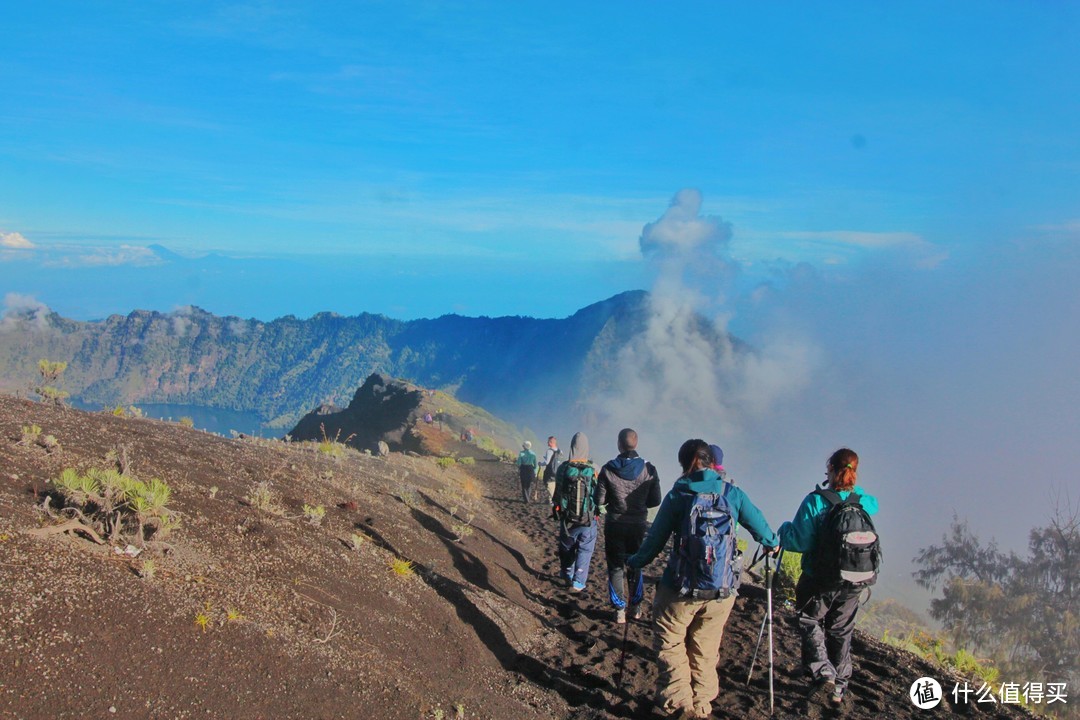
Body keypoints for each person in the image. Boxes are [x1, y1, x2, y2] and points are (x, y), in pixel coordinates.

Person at [627, 440, 779, 720]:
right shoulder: (732, 493)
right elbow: (765, 533)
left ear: (685, 464)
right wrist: (773, 543)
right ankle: (702, 706)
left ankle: (680, 703)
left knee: (671, 642)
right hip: (722, 590)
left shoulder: (679, 495)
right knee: (706, 648)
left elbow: (654, 542)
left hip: (680, 588)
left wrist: (634, 563)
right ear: (711, 463)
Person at [778, 448, 879, 707]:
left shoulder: (815, 501)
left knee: (808, 618)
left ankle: (823, 673)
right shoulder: (864, 501)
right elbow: (874, 506)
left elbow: (798, 541)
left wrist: (784, 530)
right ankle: (840, 686)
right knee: (841, 630)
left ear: (830, 469)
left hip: (819, 577)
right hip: (855, 579)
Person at [595, 428, 661, 624]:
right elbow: (655, 500)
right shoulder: (649, 470)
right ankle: (636, 607)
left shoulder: (608, 469)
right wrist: (639, 505)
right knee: (635, 564)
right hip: (638, 524)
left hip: (615, 523)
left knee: (615, 567)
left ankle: (619, 610)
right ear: (636, 444)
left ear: (619, 444)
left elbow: (599, 499)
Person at [551, 432, 598, 592]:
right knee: (585, 548)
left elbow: (557, 492)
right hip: (588, 519)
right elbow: (598, 495)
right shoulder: (593, 469)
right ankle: (578, 581)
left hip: (568, 519)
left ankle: (567, 573)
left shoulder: (564, 468)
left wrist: (557, 509)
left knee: (566, 546)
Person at [539, 435, 561, 503]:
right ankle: (550, 500)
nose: (547, 443)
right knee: (554, 487)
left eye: (548, 442)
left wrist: (540, 464)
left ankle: (551, 501)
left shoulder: (549, 451)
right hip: (557, 473)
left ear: (551, 442)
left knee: (549, 486)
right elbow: (560, 462)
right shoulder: (560, 451)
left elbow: (547, 462)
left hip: (549, 472)